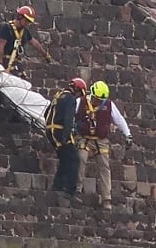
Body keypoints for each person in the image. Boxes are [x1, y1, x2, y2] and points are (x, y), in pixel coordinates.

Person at [75, 80, 132, 210]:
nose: (99, 102)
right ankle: (77, 189)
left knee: (104, 167)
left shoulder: (109, 105)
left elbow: (119, 120)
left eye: (101, 100)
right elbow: (71, 115)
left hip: (101, 141)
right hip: (84, 138)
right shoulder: (81, 102)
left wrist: (127, 134)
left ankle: (106, 198)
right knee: (81, 158)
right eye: (97, 99)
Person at [45, 78, 86, 202]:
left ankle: (57, 186)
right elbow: (69, 118)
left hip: (50, 131)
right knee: (74, 159)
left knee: (64, 159)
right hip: (60, 131)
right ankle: (70, 191)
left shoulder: (58, 95)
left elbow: (46, 113)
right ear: (77, 89)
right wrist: (66, 136)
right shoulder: (70, 99)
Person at [0, 5, 54, 80]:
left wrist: (45, 55)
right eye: (26, 21)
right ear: (19, 17)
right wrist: (0, 65)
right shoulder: (6, 28)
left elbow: (34, 43)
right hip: (5, 61)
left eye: (29, 22)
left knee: (23, 82)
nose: (27, 23)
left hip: (16, 63)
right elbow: (1, 46)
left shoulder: (24, 31)